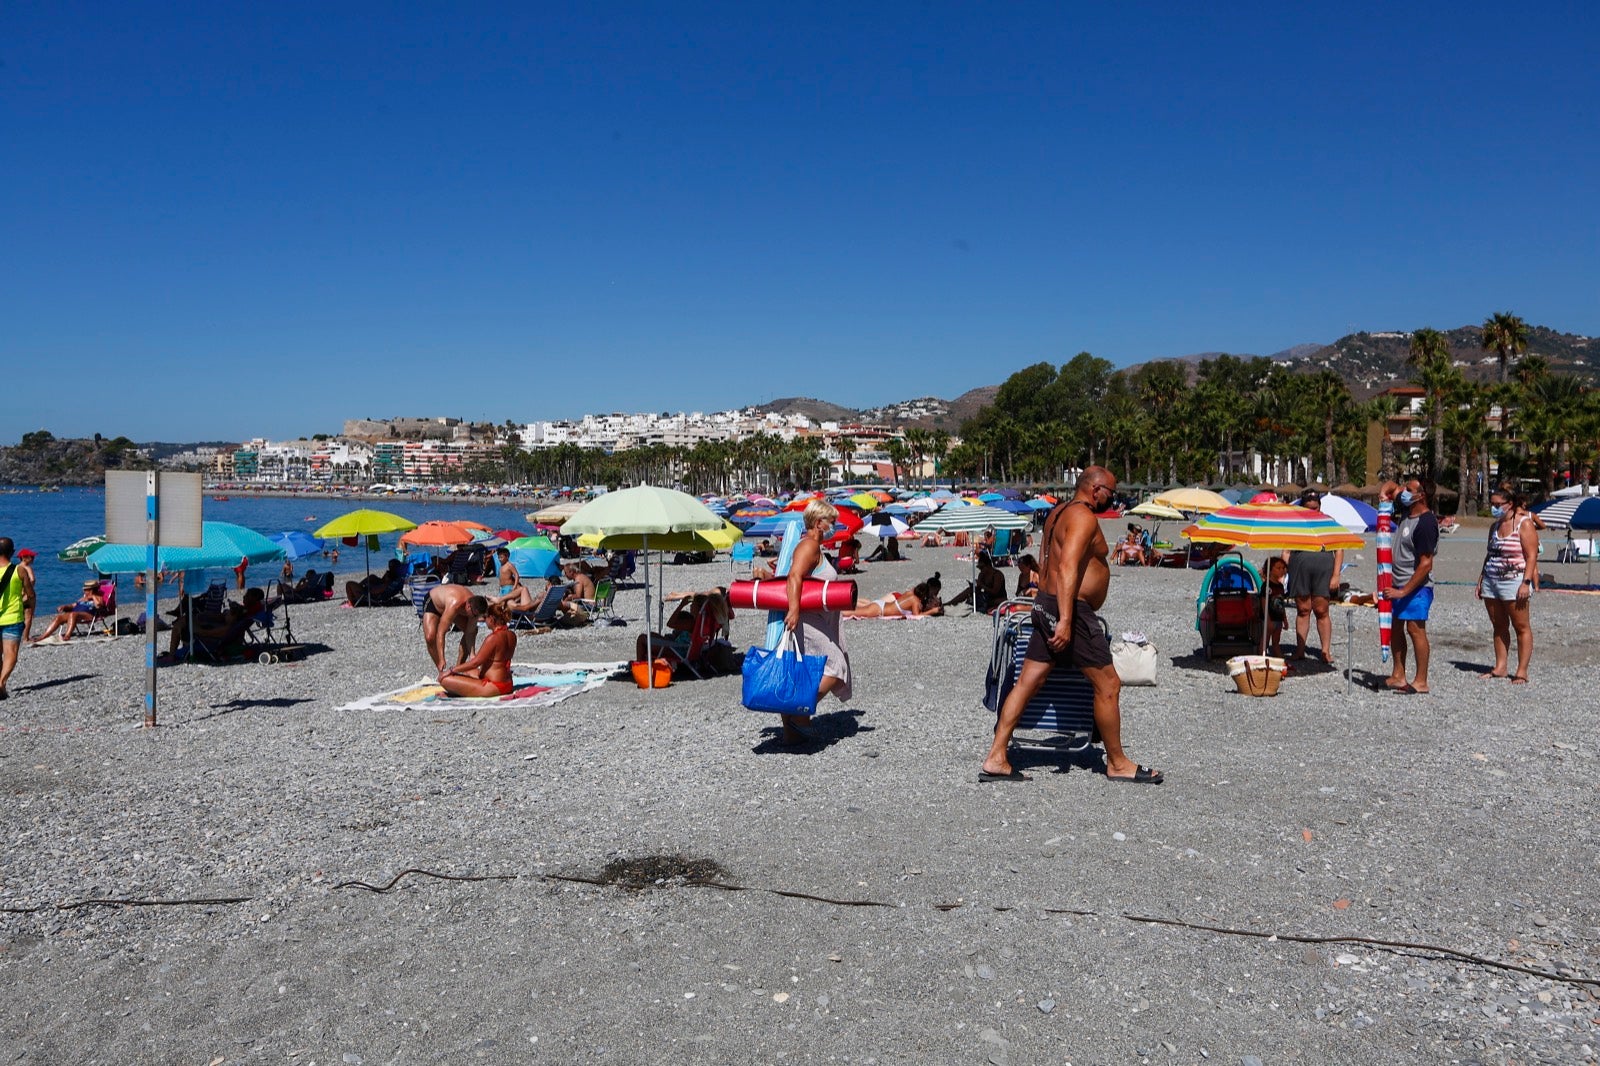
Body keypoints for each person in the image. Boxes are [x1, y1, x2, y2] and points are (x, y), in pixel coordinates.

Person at [980, 467, 1161, 784]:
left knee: (1028, 682)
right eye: (1111, 492)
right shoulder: (1082, 517)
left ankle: (997, 756)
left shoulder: (1057, 513)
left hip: (1047, 604)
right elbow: (1065, 568)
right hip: (1070, 610)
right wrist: (1065, 619)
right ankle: (1117, 763)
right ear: (1095, 489)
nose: (1113, 498)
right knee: (1108, 685)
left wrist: (1049, 609)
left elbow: (1046, 559)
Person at [765, 499, 852, 744]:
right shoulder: (809, 546)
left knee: (802, 668)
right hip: (808, 618)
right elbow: (794, 576)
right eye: (831, 522)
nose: (834, 526)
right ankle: (797, 711)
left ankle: (792, 734)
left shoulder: (815, 547)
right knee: (835, 666)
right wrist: (793, 610)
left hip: (816, 617)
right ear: (818, 523)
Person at [1380, 476, 1440, 695]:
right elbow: (1390, 487)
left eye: (1409, 489)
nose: (1404, 491)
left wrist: (1404, 590)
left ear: (1421, 495)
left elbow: (1426, 564)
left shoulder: (1425, 522)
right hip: (1395, 583)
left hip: (1416, 586)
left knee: (1415, 629)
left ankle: (1421, 680)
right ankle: (1398, 674)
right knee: (1395, 627)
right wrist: (1384, 493)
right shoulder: (1407, 512)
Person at [1476, 487, 1538, 683]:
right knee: (1499, 625)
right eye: (1492, 504)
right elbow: (1490, 555)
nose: (1494, 508)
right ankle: (1500, 666)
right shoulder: (1494, 527)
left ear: (1509, 504)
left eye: (1497, 505)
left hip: (1515, 580)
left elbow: (1531, 556)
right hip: (1492, 580)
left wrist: (1526, 583)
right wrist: (1481, 580)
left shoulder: (1524, 525)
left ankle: (1521, 670)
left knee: (1521, 626)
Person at [1282, 491, 1343, 664]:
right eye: (1308, 508)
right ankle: (1300, 650)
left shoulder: (1328, 521)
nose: (1312, 511)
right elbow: (1286, 550)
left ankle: (1325, 651)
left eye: (1315, 508)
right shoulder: (1294, 524)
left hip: (1324, 571)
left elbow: (1339, 549)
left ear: (1319, 506)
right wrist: (1282, 573)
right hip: (1299, 570)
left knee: (1322, 610)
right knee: (1303, 610)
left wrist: (1336, 575)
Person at [439, 601, 518, 697]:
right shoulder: (512, 635)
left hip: (494, 686)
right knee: (466, 672)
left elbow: (476, 663)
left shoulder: (493, 638)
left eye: (485, 617)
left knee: (444, 679)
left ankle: (458, 693)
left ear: (492, 619)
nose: (484, 620)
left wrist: (451, 670)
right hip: (508, 683)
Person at [0, 538, 37, 700]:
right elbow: (30, 594)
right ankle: (1, 683)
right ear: (13, 553)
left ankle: (1, 687)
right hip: (13, 616)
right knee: (11, 653)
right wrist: (29, 604)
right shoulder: (19, 571)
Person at [422, 585, 487, 671]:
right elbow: (441, 632)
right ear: (468, 607)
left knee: (473, 631)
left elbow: (470, 633)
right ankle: (440, 668)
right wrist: (442, 658)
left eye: (477, 616)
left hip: (456, 607)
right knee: (430, 637)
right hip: (434, 603)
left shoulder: (475, 609)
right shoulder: (455, 604)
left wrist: (472, 654)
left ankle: (458, 668)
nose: (475, 618)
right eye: (475, 615)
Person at [30, 580, 105, 645]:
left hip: (88, 615)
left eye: (86, 590)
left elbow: (99, 605)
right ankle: (43, 636)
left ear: (91, 590)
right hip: (75, 615)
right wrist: (64, 607)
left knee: (73, 614)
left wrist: (93, 596)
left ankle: (67, 635)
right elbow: (73, 605)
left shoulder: (98, 597)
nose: (84, 591)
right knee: (59, 617)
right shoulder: (83, 598)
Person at [845, 573, 944, 618]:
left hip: (881, 605)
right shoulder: (915, 601)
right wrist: (932, 611)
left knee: (855, 610)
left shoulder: (911, 593)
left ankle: (839, 607)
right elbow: (916, 616)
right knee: (851, 612)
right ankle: (834, 612)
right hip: (879, 609)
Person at [1265, 556, 1289, 656]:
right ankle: (1262, 654)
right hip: (1268, 618)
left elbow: (1282, 604)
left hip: (1278, 618)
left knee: (1276, 639)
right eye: (1278, 568)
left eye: (1283, 568)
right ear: (1270, 570)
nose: (1282, 571)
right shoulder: (1267, 586)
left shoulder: (1280, 587)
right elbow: (1264, 603)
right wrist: (1268, 620)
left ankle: (1278, 655)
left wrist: (1285, 619)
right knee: (1265, 639)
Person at [15, 549, 38, 640]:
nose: (33, 558)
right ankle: (25, 637)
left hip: (18, 595)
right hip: (28, 595)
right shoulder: (28, 568)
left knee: (19, 615)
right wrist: (28, 590)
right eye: (31, 557)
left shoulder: (16, 568)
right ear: (24, 558)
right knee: (29, 616)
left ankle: (17, 636)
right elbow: (32, 579)